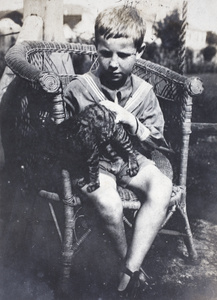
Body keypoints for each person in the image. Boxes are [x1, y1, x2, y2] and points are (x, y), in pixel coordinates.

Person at [63, 5, 173, 298]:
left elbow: (160, 144)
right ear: (95, 49)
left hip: (131, 160)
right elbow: (63, 139)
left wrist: (131, 121)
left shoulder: (144, 93)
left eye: (123, 55)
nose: (113, 63)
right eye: (105, 53)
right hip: (94, 164)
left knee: (162, 186)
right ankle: (131, 270)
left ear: (141, 51)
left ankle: (127, 272)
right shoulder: (79, 89)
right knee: (109, 202)